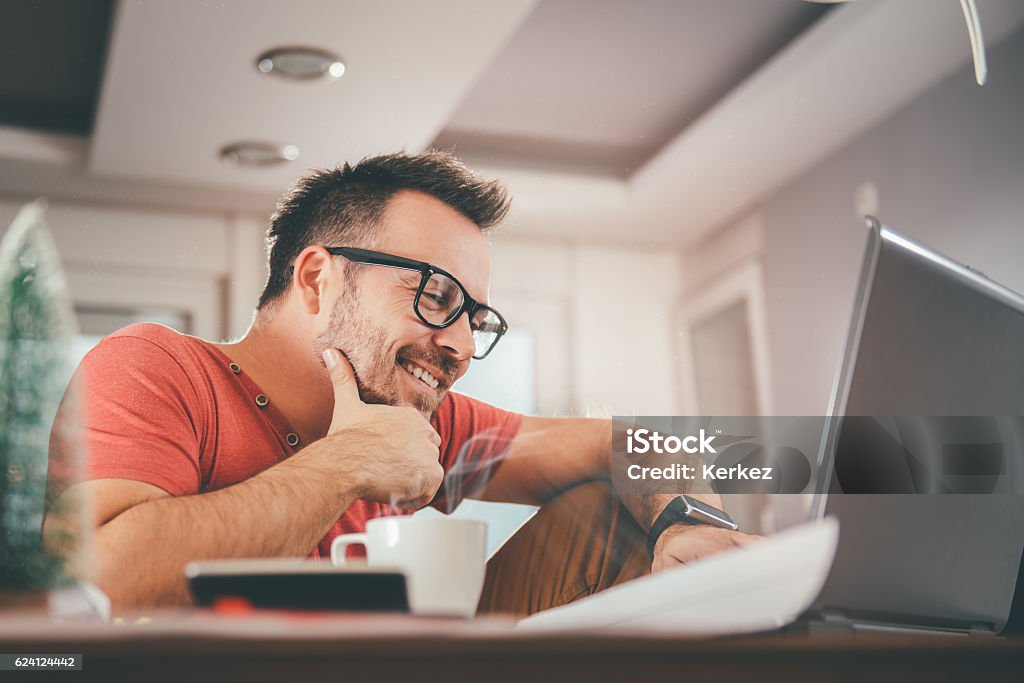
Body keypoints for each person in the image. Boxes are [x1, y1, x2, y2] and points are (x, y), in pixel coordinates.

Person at [44, 151, 755, 613]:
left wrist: (689, 520)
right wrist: (351, 462)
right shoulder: (158, 368)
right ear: (319, 279)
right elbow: (99, 578)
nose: (464, 346)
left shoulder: (425, 426)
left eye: (475, 317)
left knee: (618, 507)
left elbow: (629, 441)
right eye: (437, 297)